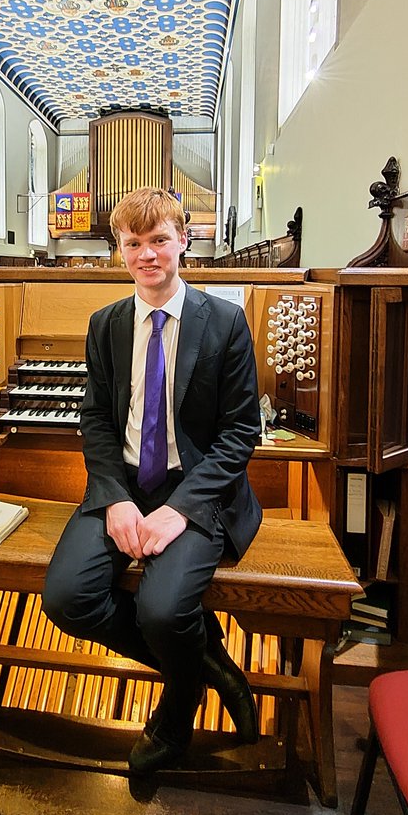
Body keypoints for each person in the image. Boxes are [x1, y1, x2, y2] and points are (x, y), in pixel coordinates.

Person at [42, 187, 263, 775]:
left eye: (159, 240)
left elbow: (242, 432)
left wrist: (182, 509)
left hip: (195, 490)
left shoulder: (225, 321)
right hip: (124, 484)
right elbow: (94, 417)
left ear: (183, 241)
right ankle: (208, 669)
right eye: (133, 243)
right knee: (67, 599)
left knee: (162, 614)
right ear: (120, 251)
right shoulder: (106, 324)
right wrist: (113, 498)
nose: (147, 255)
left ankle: (175, 711)